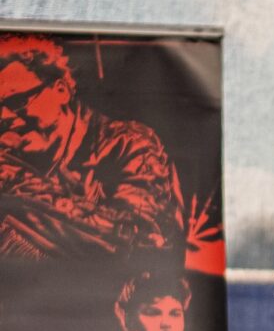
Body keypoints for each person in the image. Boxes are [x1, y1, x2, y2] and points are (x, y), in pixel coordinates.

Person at [0, 35, 184, 258]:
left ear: (61, 90)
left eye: (17, 102)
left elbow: (140, 240)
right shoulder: (15, 155)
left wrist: (17, 181)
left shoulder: (130, 144)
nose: (4, 117)